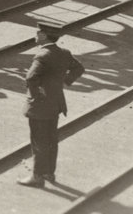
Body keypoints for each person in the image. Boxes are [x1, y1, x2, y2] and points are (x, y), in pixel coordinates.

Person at [17, 21, 85, 188]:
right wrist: (64, 82)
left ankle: (37, 176)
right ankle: (49, 172)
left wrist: (35, 96)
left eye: (37, 32)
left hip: (40, 105)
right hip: (55, 103)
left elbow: (31, 78)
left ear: (43, 35)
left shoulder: (42, 55)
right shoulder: (64, 53)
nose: (35, 35)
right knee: (51, 139)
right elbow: (79, 68)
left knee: (38, 140)